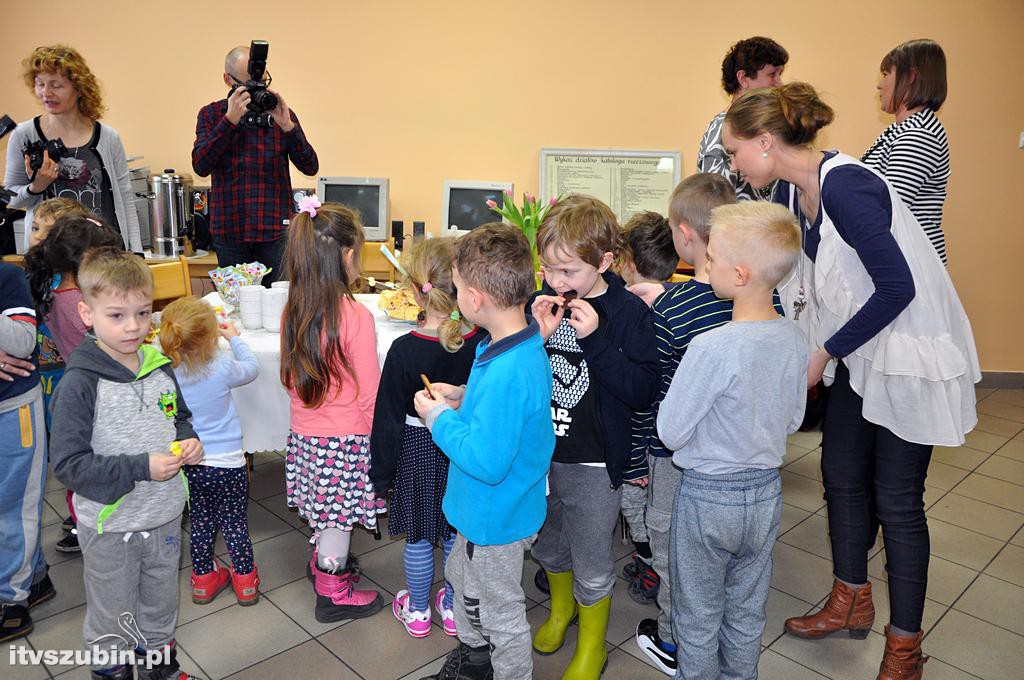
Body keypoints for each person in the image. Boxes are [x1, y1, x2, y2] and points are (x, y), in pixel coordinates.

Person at [722, 82, 980, 680]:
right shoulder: (795, 189)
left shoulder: (848, 187)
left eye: (736, 152)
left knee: (897, 500)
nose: (734, 164)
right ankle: (850, 599)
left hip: (907, 357)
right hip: (859, 353)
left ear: (766, 141)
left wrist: (823, 352)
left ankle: (905, 648)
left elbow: (897, 289)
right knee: (840, 476)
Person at [659, 201, 808, 679]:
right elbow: (793, 419)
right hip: (765, 495)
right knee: (746, 610)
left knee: (697, 614)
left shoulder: (711, 346)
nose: (705, 265)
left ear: (740, 274)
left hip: (707, 498)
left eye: (712, 259)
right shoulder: (795, 339)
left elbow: (670, 431)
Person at [49, 247, 204, 680]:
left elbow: (179, 417)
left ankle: (159, 668)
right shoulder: (80, 384)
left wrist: (188, 440)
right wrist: (140, 466)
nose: (133, 326)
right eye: (116, 316)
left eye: (142, 312)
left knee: (160, 603)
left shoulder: (159, 368)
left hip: (164, 516)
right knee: (113, 613)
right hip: (110, 526)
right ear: (87, 313)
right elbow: (69, 465)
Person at [412, 223, 554, 680]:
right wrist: (462, 398)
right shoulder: (513, 342)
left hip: (495, 517)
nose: (456, 298)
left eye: (456, 290)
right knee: (462, 582)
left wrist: (439, 419)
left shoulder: (509, 368)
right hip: (488, 512)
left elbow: (488, 462)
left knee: (497, 612)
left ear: (475, 299)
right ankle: (475, 662)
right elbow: (503, 415)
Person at [529, 195, 659, 679]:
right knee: (548, 544)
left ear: (604, 262)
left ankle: (592, 647)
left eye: (569, 271)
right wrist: (535, 339)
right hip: (544, 455)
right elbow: (520, 375)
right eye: (548, 269)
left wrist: (596, 340)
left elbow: (642, 390)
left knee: (591, 558)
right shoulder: (541, 302)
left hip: (595, 463)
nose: (556, 282)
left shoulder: (626, 312)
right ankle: (561, 610)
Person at [369, 237, 483, 639]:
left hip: (416, 452)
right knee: (453, 532)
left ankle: (417, 611)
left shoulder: (403, 349)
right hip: (460, 451)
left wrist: (381, 476)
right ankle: (451, 606)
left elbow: (386, 419)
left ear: (415, 292)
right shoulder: (478, 343)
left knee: (418, 535)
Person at [280, 198, 384, 623]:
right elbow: (370, 394)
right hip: (345, 442)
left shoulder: (294, 308)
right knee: (339, 520)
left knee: (325, 509)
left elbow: (288, 378)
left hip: (306, 437)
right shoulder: (355, 316)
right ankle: (332, 592)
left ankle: (323, 562)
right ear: (347, 256)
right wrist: (382, 442)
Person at [25, 215, 124, 554]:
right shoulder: (76, 303)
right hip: (95, 390)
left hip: (75, 382)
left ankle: (84, 521)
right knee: (92, 463)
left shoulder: (55, 290)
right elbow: (110, 347)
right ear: (84, 261)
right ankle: (89, 524)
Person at [159, 298, 261, 606]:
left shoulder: (165, 373)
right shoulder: (222, 366)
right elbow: (252, 368)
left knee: (200, 524)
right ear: (210, 339)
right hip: (228, 463)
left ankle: (203, 580)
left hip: (189, 463)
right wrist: (235, 339)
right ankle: (245, 582)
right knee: (234, 523)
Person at [191, 45, 319, 285]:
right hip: (230, 232)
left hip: (275, 233)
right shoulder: (211, 115)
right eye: (246, 84)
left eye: (258, 82)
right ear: (228, 80)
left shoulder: (279, 114)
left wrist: (288, 127)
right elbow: (200, 165)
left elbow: (310, 166)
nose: (254, 90)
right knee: (235, 303)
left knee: (278, 301)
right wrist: (229, 122)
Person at [4, 45, 143, 253]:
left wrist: (136, 251)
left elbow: (125, 198)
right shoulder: (24, 135)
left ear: (79, 88)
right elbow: (11, 199)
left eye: (56, 85)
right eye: (40, 84)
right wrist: (37, 186)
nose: (46, 93)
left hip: (103, 255)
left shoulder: (108, 137)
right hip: (51, 256)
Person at [615, 210, 678, 607]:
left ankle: (652, 561)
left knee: (637, 507)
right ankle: (648, 557)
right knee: (654, 508)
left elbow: (641, 394)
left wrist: (634, 459)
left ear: (627, 263)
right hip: (665, 436)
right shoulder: (677, 304)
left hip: (643, 438)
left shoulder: (638, 312)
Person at [862, 39, 950, 264]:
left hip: (912, 263)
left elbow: (886, 206)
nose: (879, 85)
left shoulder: (920, 134)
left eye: (886, 74)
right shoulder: (901, 129)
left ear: (910, 77)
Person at [0, 262, 52, 643]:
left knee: (14, 505)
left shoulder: (8, 277)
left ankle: (11, 599)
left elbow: (22, 342)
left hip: (13, 408)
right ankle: (33, 577)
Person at [697, 37, 789, 201]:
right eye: (772, 74)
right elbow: (713, 203)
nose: (779, 84)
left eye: (779, 74)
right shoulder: (723, 128)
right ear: (743, 78)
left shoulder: (762, 125)